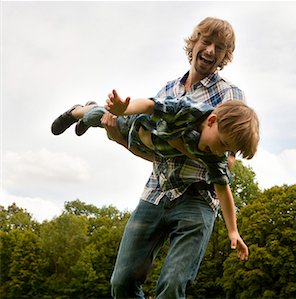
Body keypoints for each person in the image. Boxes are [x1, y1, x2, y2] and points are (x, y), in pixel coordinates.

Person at [103, 17, 244, 298]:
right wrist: (119, 137)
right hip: (155, 193)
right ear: (193, 44)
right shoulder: (167, 91)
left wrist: (184, 146)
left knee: (172, 286)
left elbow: (227, 162)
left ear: (224, 57)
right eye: (206, 41)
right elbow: (154, 152)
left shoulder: (231, 96)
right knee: (121, 283)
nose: (210, 50)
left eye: (219, 48)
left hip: (198, 199)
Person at [51, 91, 259, 246]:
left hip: (144, 143)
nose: (219, 152)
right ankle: (76, 111)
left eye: (228, 151)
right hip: (135, 123)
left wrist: (233, 231)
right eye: (222, 144)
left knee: (100, 122)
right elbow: (151, 105)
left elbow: (223, 189)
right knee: (98, 115)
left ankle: (87, 117)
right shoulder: (187, 110)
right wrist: (124, 109)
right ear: (212, 121)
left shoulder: (215, 155)